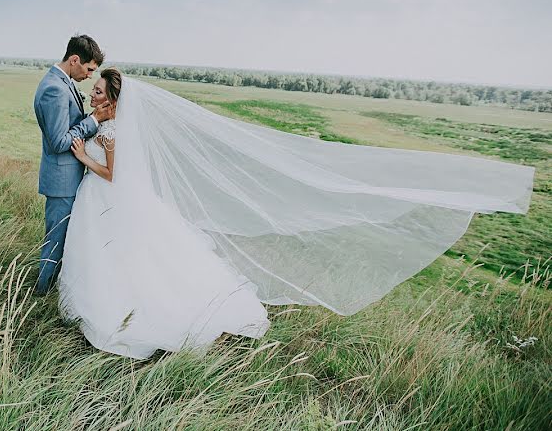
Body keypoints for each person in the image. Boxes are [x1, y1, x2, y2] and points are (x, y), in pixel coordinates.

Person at [56, 71, 535, 359]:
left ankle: (136, 314)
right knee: (124, 257)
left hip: (113, 198)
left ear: (115, 97)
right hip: (113, 206)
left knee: (131, 259)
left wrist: (83, 157)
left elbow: (113, 175)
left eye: (100, 91)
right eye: (93, 90)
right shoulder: (112, 122)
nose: (94, 95)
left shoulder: (115, 130)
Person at [33, 34, 113, 295]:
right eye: (89, 69)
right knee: (55, 241)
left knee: (65, 239)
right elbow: (58, 142)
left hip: (70, 179)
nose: (90, 76)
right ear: (75, 60)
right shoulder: (55, 88)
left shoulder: (62, 82)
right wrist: (92, 120)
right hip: (62, 182)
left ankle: (53, 287)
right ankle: (40, 293)